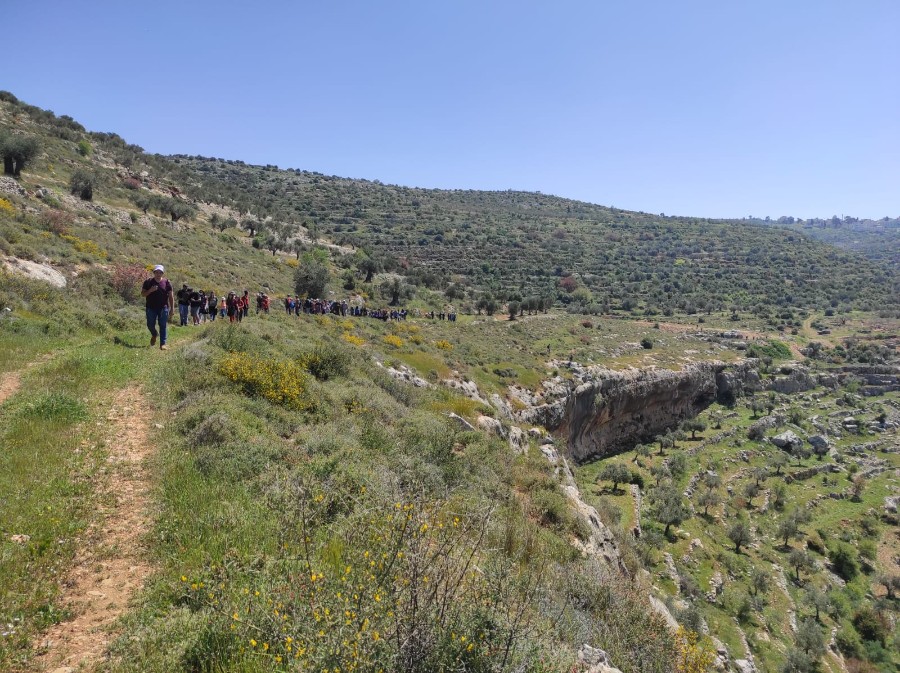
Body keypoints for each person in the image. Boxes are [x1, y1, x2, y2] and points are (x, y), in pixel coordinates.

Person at [141, 264, 174, 350]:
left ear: (162, 273)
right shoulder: (148, 282)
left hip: (163, 308)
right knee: (150, 325)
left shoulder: (167, 282)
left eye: (160, 272)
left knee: (163, 325)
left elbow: (171, 296)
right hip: (151, 308)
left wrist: (172, 309)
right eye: (157, 272)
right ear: (154, 272)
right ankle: (154, 334)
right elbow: (143, 294)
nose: (158, 274)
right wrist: (150, 290)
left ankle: (163, 344)